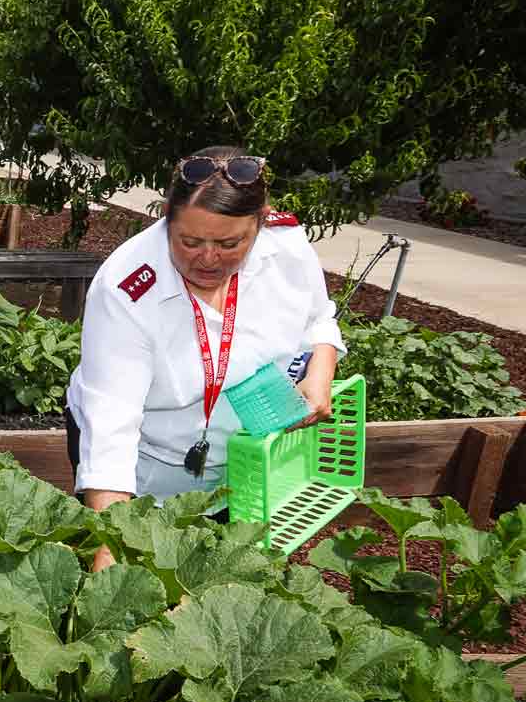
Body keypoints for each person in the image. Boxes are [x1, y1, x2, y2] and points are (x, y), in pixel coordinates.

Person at [66, 146, 343, 567]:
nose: (208, 259)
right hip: (147, 459)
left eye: (231, 243)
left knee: (218, 576)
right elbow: (111, 429)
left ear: (262, 221)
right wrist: (110, 553)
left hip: (246, 459)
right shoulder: (127, 287)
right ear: (165, 218)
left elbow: (319, 318)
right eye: (189, 241)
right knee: (142, 567)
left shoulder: (288, 248)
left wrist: (321, 369)